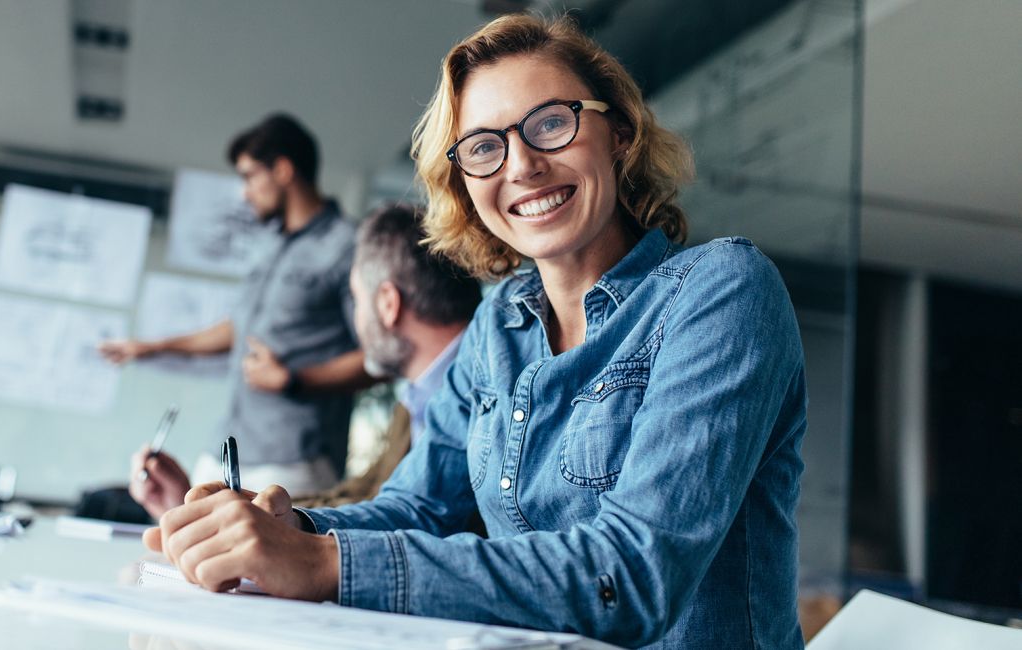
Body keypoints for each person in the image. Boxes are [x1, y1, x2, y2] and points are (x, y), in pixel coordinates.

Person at [144, 14, 808, 649]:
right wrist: (285, 527)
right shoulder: (500, 322)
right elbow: (419, 506)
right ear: (464, 182)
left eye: (552, 123)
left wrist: (324, 562)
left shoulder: (723, 290)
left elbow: (631, 576)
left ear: (620, 135)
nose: (521, 166)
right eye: (485, 147)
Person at [129, 204, 482, 518]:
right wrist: (205, 512)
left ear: (388, 305)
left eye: (357, 301)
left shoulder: (482, 399)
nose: (355, 325)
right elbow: (364, 499)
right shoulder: (415, 404)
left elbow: (402, 525)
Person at [99, 114, 377, 494]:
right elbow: (240, 327)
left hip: (292, 462)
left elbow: (380, 357)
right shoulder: (268, 246)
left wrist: (295, 381)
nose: (245, 193)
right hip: (224, 449)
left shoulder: (349, 246)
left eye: (249, 177)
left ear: (282, 170)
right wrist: (153, 347)